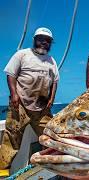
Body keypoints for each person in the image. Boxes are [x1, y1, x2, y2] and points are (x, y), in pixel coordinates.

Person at [0, 27, 59, 170]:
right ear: (34, 40)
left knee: (52, 135)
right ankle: (2, 168)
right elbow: (11, 74)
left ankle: (53, 165)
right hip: (20, 105)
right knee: (11, 140)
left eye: (47, 41)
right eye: (40, 39)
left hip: (42, 109)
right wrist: (14, 94)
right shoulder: (22, 54)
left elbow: (55, 81)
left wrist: (51, 99)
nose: (44, 42)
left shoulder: (52, 61)